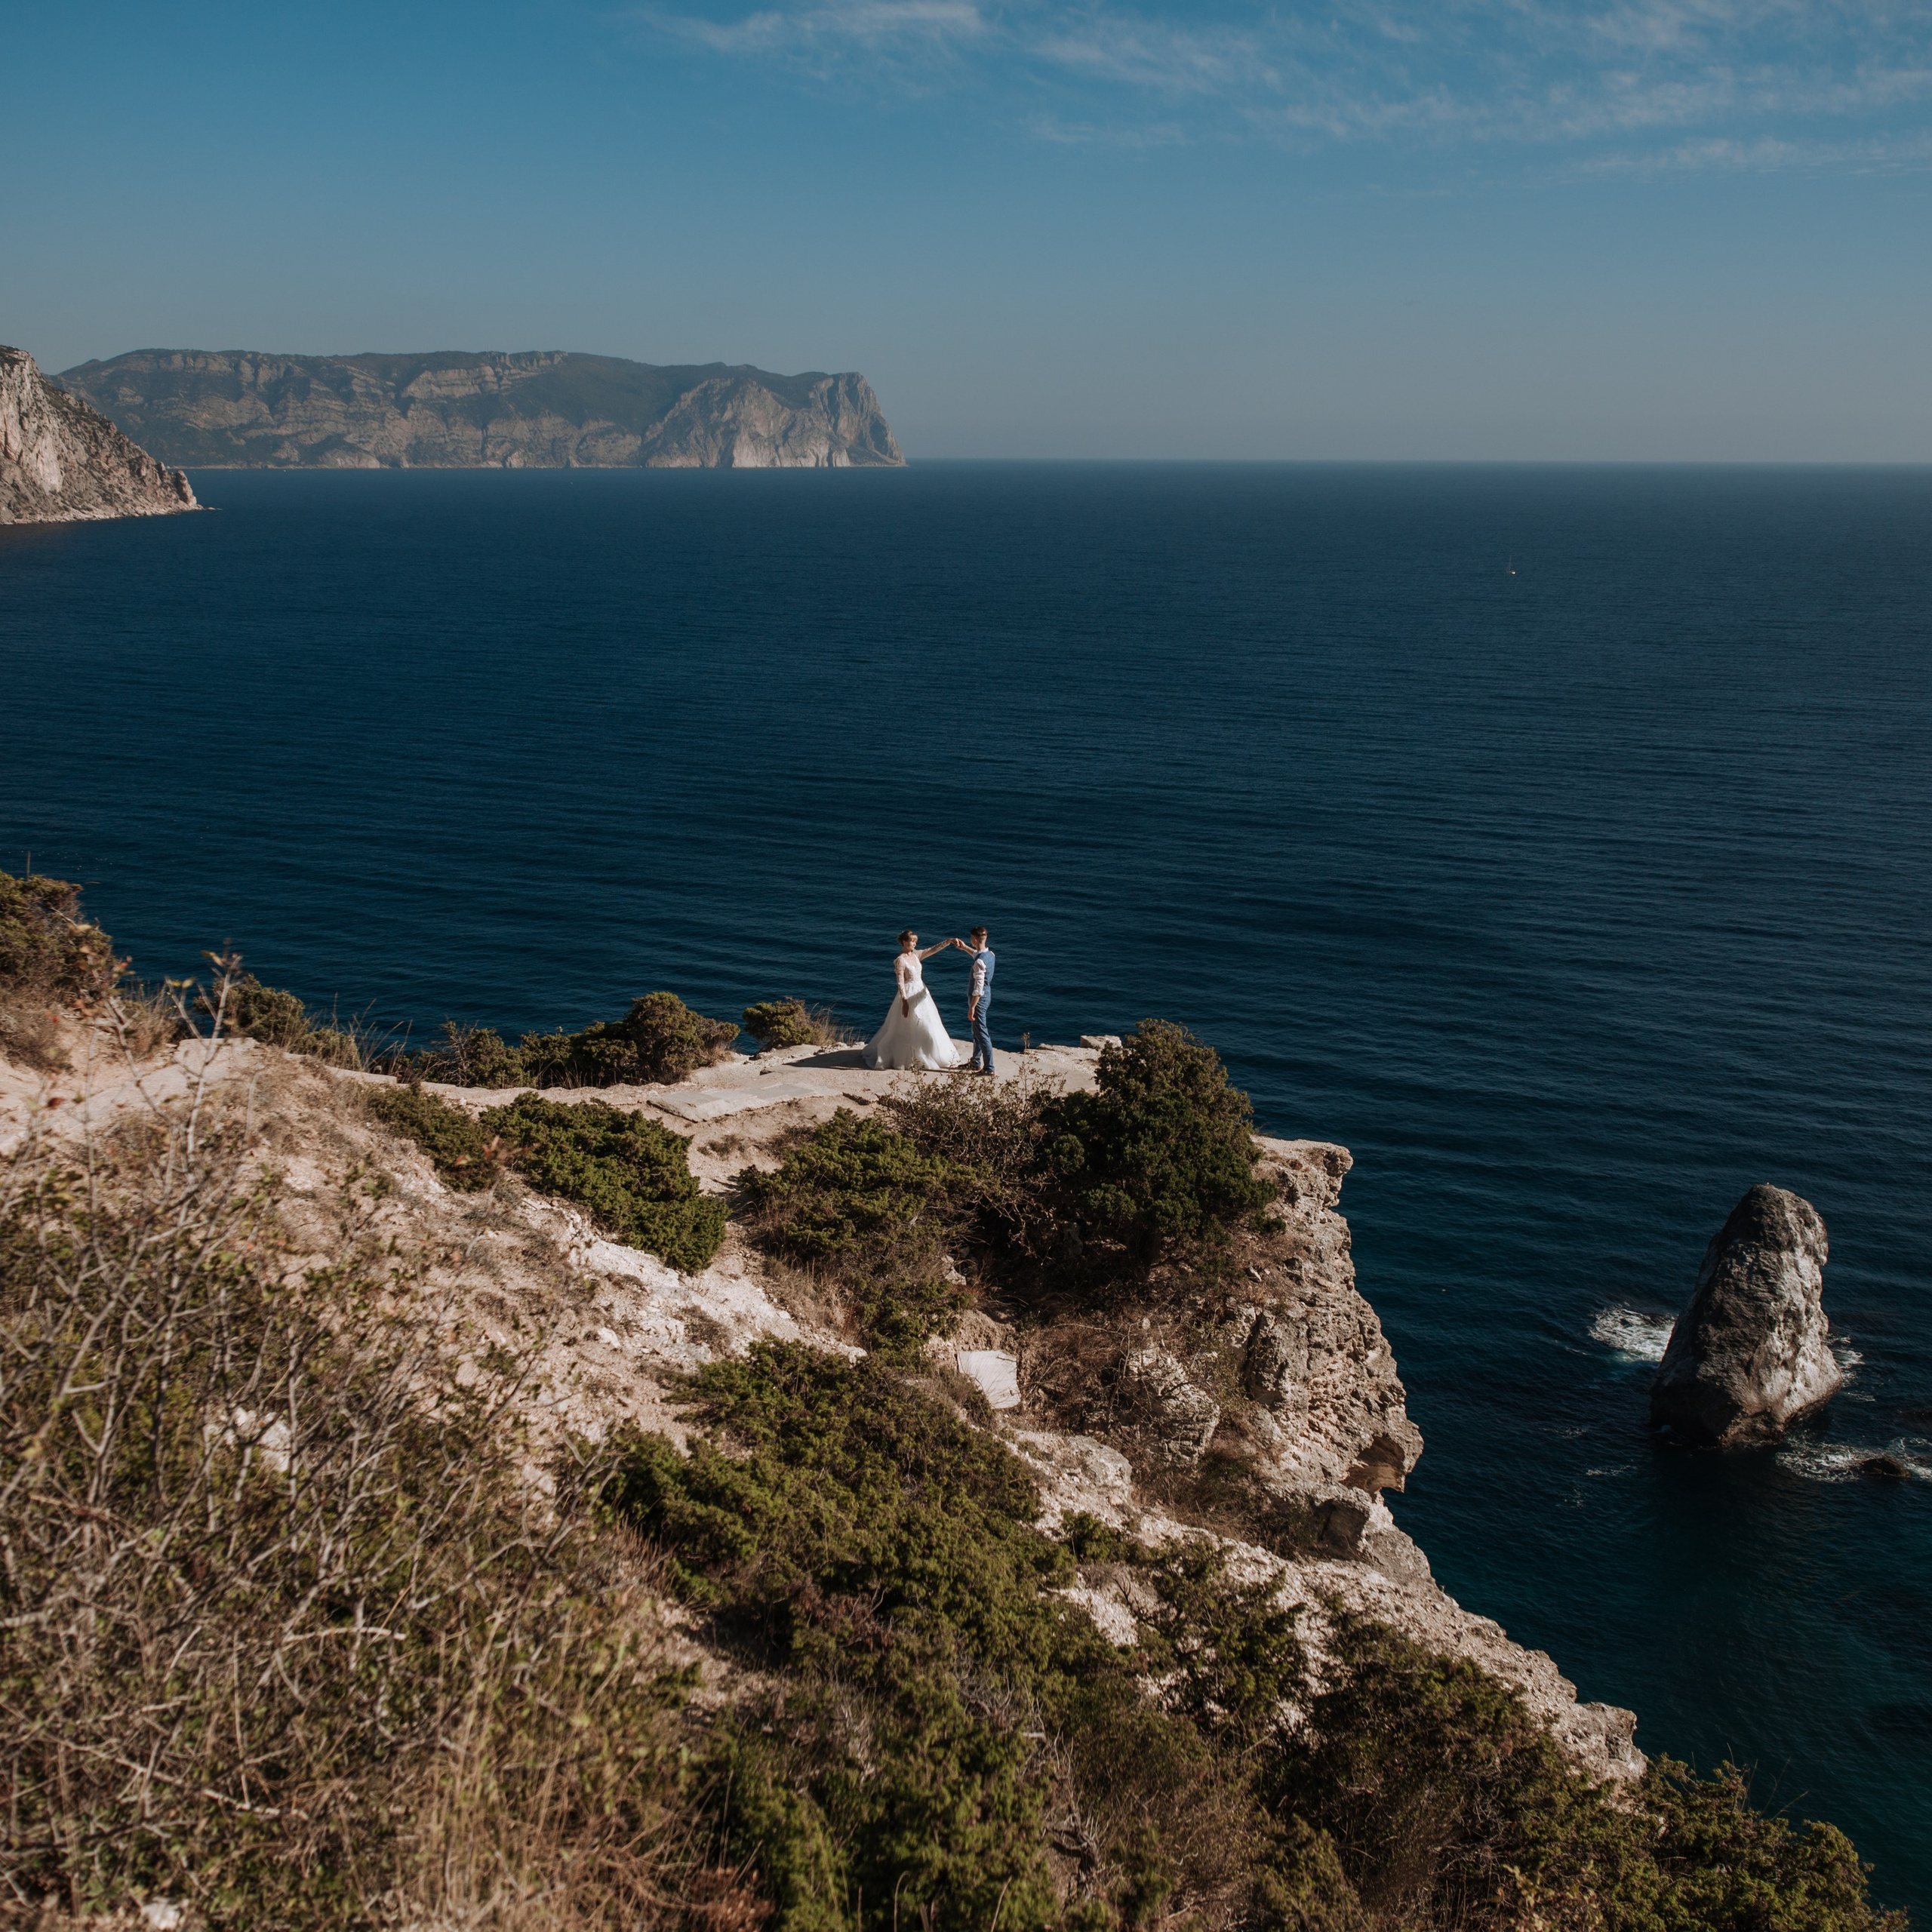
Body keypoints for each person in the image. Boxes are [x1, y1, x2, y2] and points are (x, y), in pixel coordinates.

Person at [860, 930, 963, 1070]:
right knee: (907, 1026)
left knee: (928, 1024)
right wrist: (904, 1001)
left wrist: (948, 941)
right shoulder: (900, 961)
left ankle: (928, 1053)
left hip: (922, 993)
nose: (914, 944)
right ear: (904, 942)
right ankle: (907, 1057)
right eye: (912, 941)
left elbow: (933, 949)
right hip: (909, 994)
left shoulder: (916, 955)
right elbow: (900, 982)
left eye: (915, 942)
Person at [952, 926, 995, 1078]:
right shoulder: (990, 955)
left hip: (979, 1000)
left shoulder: (979, 963)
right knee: (976, 1031)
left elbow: (978, 987)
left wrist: (972, 1007)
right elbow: (977, 954)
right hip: (987, 997)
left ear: (975, 940)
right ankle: (976, 1062)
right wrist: (964, 948)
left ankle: (989, 1068)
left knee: (982, 1033)